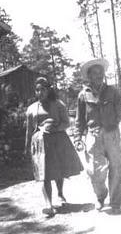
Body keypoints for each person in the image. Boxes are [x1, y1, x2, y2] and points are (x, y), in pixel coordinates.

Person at [75, 58, 121, 215]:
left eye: (101, 72)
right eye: (95, 73)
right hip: (93, 135)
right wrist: (78, 137)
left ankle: (116, 203)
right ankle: (101, 195)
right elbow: (79, 120)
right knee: (94, 171)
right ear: (89, 76)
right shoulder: (83, 95)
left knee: (117, 168)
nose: (99, 75)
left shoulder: (113, 92)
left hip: (112, 134)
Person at [25, 77, 83, 217]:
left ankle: (60, 194)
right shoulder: (31, 108)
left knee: (58, 171)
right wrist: (26, 147)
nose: (40, 92)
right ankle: (48, 204)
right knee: (43, 174)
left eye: (43, 89)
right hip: (39, 144)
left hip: (58, 141)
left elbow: (67, 123)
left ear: (48, 90)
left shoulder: (58, 104)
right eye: (37, 90)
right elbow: (28, 129)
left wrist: (55, 127)